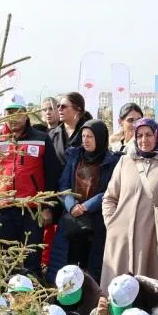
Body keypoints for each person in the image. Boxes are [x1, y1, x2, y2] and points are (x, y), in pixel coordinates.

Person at [101, 118, 158, 304]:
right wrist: (112, 223)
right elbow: (109, 197)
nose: (144, 140)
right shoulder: (125, 161)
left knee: (156, 298)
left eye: (149, 135)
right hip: (122, 242)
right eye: (140, 135)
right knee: (119, 298)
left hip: (156, 241)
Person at [47, 119, 119, 284]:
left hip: (96, 221)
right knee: (66, 263)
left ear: (100, 138)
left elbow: (110, 190)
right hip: (72, 219)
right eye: (84, 136)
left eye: (90, 137)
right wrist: (72, 205)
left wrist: (86, 206)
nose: (85, 140)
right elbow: (63, 185)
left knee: (92, 268)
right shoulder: (74, 156)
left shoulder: (111, 162)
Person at [0, 97, 57, 273]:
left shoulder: (41, 138)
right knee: (5, 259)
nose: (13, 117)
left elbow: (52, 174)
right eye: (9, 112)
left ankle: (32, 286)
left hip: (32, 209)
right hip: (3, 208)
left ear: (26, 114)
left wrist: (46, 206)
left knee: (32, 258)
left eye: (18, 112)